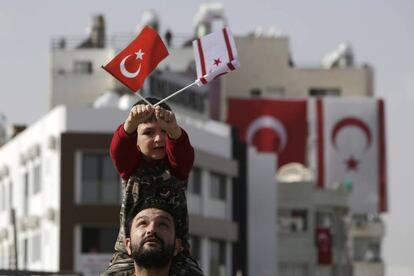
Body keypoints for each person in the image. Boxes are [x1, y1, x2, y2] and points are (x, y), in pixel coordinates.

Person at [101, 97, 203, 276]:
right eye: (148, 133)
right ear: (136, 142)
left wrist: (174, 130)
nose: (158, 139)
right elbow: (118, 151)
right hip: (129, 252)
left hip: (175, 250)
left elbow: (183, 153)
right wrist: (130, 124)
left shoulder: (177, 168)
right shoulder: (130, 167)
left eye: (164, 132)